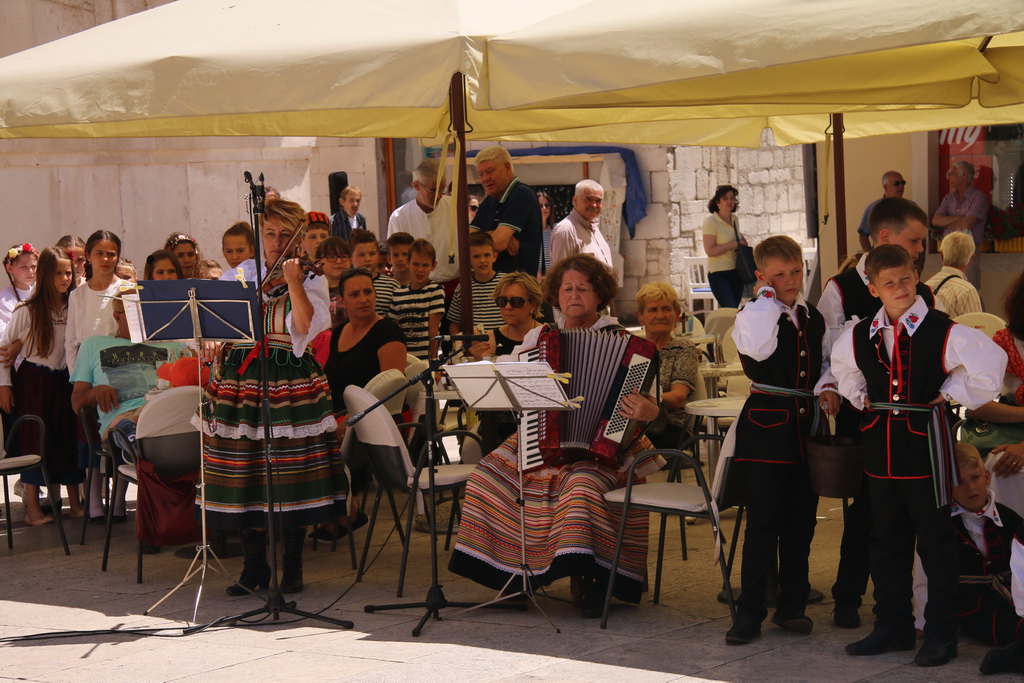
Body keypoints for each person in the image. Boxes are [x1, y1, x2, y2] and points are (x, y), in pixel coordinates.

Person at [449, 254, 661, 618]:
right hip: (540, 435)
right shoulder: (538, 337)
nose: (574, 294)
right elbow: (515, 389)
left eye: (583, 288)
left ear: (599, 295)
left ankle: (599, 577)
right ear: (555, 295)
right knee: (487, 475)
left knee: (581, 486)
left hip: (606, 446)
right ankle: (514, 576)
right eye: (567, 288)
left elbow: (652, 404)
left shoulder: (626, 344)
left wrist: (650, 411)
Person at [831, 244, 1005, 666]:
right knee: (884, 538)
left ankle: (941, 633)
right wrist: (861, 399)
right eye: (888, 283)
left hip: (926, 446)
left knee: (936, 542)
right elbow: (844, 372)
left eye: (906, 279)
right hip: (880, 449)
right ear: (873, 288)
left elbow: (989, 369)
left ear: (916, 276)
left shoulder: (943, 330)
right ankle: (892, 625)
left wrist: (949, 393)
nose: (900, 288)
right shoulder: (858, 335)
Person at [198, 197, 347, 596]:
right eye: (270, 233)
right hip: (240, 383)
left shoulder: (313, 279)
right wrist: (211, 340)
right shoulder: (240, 275)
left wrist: (294, 281)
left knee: (291, 474)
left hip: (289, 381)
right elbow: (216, 327)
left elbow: (304, 326)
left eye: (285, 234)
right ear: (259, 234)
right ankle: (254, 566)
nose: (277, 241)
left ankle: (293, 566)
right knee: (245, 473)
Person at [817, 196, 939, 629]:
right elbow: (827, 348)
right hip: (864, 412)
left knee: (913, 515)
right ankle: (848, 597)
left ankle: (914, 610)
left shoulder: (920, 289)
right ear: (885, 237)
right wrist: (832, 387)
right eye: (915, 240)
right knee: (867, 512)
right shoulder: (842, 286)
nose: (921, 249)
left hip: (915, 420)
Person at [724, 236, 840, 645]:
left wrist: (828, 385)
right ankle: (750, 613)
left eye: (796, 272)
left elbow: (826, 362)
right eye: (779, 275)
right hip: (766, 431)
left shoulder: (813, 317)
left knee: (801, 521)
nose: (790, 281)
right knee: (763, 524)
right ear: (761, 277)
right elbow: (756, 348)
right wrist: (767, 300)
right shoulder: (754, 314)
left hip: (805, 429)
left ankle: (792, 606)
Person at [70, 291, 186, 523]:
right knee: (134, 427)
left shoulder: (172, 345)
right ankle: (137, 446)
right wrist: (95, 392)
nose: (143, 318)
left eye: (147, 313)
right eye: (134, 313)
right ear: (117, 316)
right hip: (123, 420)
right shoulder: (95, 344)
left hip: (165, 416)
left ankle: (140, 452)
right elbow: (76, 402)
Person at [320, 267, 407, 540]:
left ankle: (346, 507)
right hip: (337, 416)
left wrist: (350, 419)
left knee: (317, 440)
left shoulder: (386, 330)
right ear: (342, 301)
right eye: (355, 294)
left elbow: (392, 387)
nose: (363, 299)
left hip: (374, 421)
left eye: (368, 291)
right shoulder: (338, 332)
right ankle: (330, 507)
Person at [0, 247, 83, 526]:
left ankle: (75, 504)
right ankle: (33, 509)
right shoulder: (27, 310)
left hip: (64, 381)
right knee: (34, 440)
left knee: (67, 438)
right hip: (34, 381)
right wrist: (5, 385)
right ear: (46, 275)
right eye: (58, 272)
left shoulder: (74, 306)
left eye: (68, 272)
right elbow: (4, 351)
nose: (64, 277)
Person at [635, 282, 698, 451]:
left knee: (621, 445)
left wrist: (644, 402)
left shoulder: (683, 348)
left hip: (670, 426)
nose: (660, 315)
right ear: (640, 316)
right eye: (653, 310)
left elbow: (678, 398)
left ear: (677, 315)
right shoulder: (633, 350)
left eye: (667, 309)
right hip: (634, 424)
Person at [386, 159, 458, 290]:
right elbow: (397, 258)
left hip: (454, 288)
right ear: (416, 185)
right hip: (416, 291)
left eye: (443, 189)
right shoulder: (399, 217)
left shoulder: (456, 208)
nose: (439, 195)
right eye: (434, 190)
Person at [471, 146, 542, 275]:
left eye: (490, 171)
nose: (485, 178)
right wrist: (493, 232)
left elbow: (498, 243)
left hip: (517, 286)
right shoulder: (489, 201)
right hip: (493, 286)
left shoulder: (522, 194)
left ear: (507, 167)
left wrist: (493, 237)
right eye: (481, 174)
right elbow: (467, 241)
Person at [932, 160, 989, 290]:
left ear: (963, 175)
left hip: (968, 251)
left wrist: (947, 222)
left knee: (968, 288)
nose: (948, 177)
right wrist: (959, 218)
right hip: (947, 250)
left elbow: (967, 223)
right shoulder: (948, 198)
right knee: (947, 288)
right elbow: (935, 220)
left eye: (951, 173)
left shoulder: (978, 197)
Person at [388, 239, 444, 361]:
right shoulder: (398, 293)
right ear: (408, 262)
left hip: (425, 360)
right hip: (404, 359)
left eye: (425, 265)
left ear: (433, 266)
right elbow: (395, 332)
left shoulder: (435, 290)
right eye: (416, 264)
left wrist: (433, 361)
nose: (420, 270)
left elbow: (433, 331)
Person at [448, 232, 504, 335]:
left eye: (486, 255)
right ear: (468, 259)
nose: (482, 260)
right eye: (476, 256)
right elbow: (454, 324)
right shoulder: (463, 288)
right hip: (475, 347)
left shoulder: (506, 283)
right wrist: (458, 348)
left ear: (494, 256)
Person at [701, 184, 747, 308]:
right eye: (725, 198)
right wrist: (733, 244)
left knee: (733, 310)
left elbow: (736, 238)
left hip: (737, 271)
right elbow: (710, 250)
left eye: (732, 198)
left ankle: (727, 328)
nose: (729, 201)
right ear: (718, 202)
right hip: (719, 273)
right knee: (730, 308)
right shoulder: (711, 222)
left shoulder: (735, 219)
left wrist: (742, 242)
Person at [550, 180, 613, 270]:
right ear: (575, 200)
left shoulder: (594, 227)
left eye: (598, 201)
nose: (594, 205)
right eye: (589, 199)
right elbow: (561, 275)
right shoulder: (566, 230)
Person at [924, 230, 982, 318]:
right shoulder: (967, 290)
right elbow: (976, 327)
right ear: (971, 258)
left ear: (941, 255)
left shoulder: (926, 286)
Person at [349, 228, 398, 317]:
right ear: (351, 259)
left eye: (372, 254)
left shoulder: (392, 285)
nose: (368, 259)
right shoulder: (347, 285)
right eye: (361, 255)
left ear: (378, 255)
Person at [856, 171, 906, 252]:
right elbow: (863, 235)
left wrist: (919, 264)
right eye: (897, 183)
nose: (901, 186)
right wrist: (869, 256)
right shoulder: (873, 208)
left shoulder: (911, 207)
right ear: (885, 187)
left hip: (906, 256)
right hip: (882, 257)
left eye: (903, 183)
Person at [1, 243, 38, 330]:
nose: (30, 271)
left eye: (33, 266)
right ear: (10, 268)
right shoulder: (5, 298)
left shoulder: (37, 292)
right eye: (24, 267)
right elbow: (12, 331)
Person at [536, 190, 555, 277]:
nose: (544, 208)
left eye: (547, 205)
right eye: (540, 206)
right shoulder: (527, 233)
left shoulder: (556, 230)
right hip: (534, 281)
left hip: (553, 279)